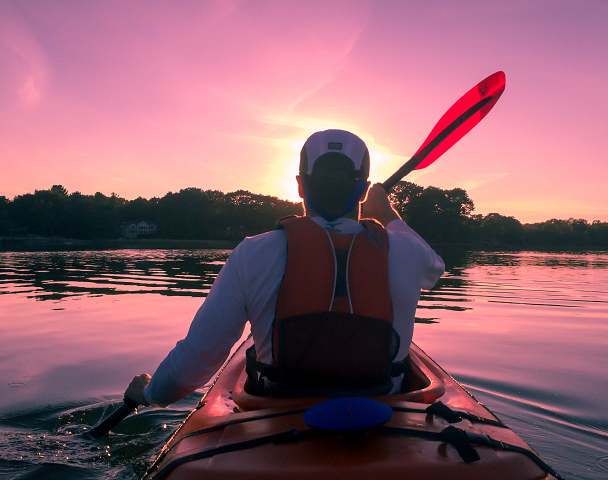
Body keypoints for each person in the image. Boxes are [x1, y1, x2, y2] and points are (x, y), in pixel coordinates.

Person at [125, 129, 445, 406]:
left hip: (281, 414)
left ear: (300, 186)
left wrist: (150, 394)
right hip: (385, 412)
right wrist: (388, 213)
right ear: (363, 190)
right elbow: (436, 268)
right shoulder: (406, 250)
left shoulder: (253, 253)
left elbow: (194, 362)